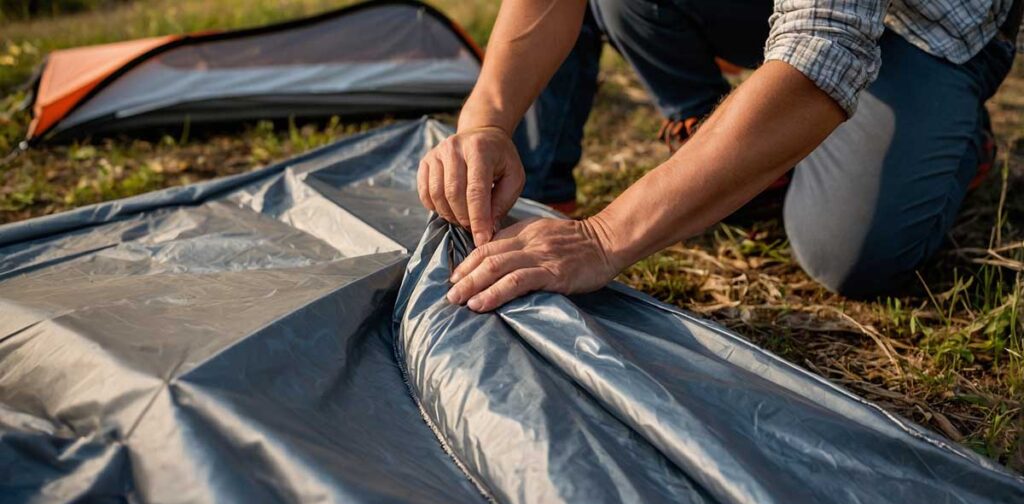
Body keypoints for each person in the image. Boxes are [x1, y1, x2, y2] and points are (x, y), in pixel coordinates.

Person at [418, 0, 1021, 312]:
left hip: (924, 31)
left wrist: (603, 238)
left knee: (851, 253)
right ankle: (741, 146)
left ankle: (955, 139)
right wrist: (486, 122)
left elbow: (825, 41)